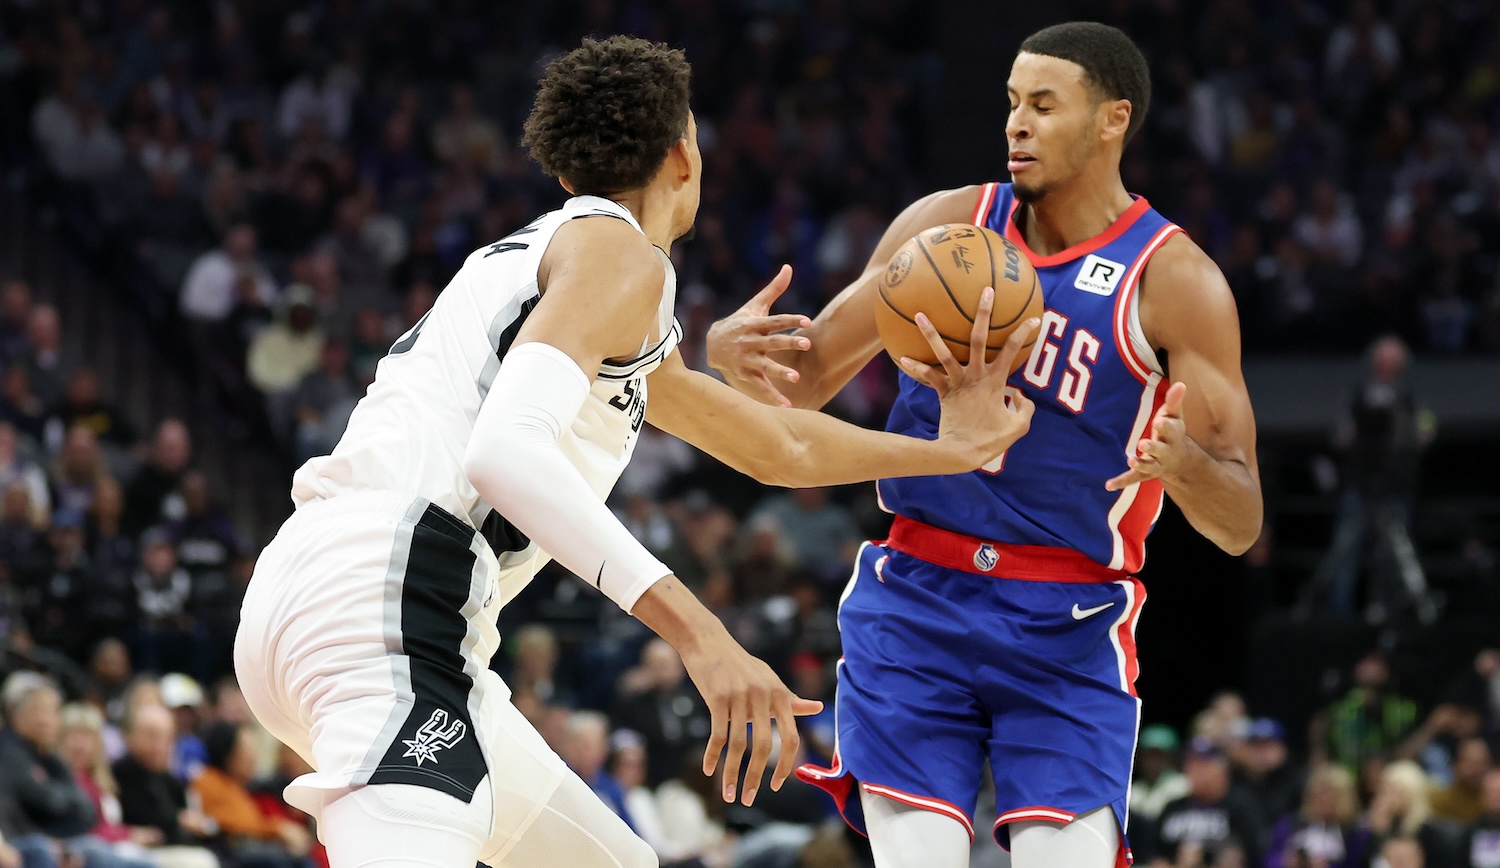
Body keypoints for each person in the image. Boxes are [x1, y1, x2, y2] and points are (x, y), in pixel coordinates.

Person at [233, 35, 1034, 868]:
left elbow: (779, 444)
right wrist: (700, 635)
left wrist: (950, 450)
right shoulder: (619, 253)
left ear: (567, 168)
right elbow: (504, 455)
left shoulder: (578, 271)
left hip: (332, 600)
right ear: (684, 151)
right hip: (389, 601)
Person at [708, 21, 1262, 868]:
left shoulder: (1173, 281)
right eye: (1011, 103)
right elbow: (803, 384)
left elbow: (1240, 522)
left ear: (1114, 120)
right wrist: (728, 359)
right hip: (919, 596)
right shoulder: (946, 227)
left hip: (1069, 617)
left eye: (1044, 105)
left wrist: (1185, 467)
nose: (1017, 124)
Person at [1296, 335, 1438, 624]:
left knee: (1394, 554)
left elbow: (1427, 428)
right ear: (1374, 362)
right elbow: (1339, 434)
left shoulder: (1410, 397)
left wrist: (1411, 434)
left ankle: (1391, 613)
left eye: (1393, 361)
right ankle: (1339, 615)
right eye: (1383, 360)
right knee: (1344, 552)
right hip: (1359, 485)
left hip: (1395, 486)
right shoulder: (1356, 395)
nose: (1387, 366)